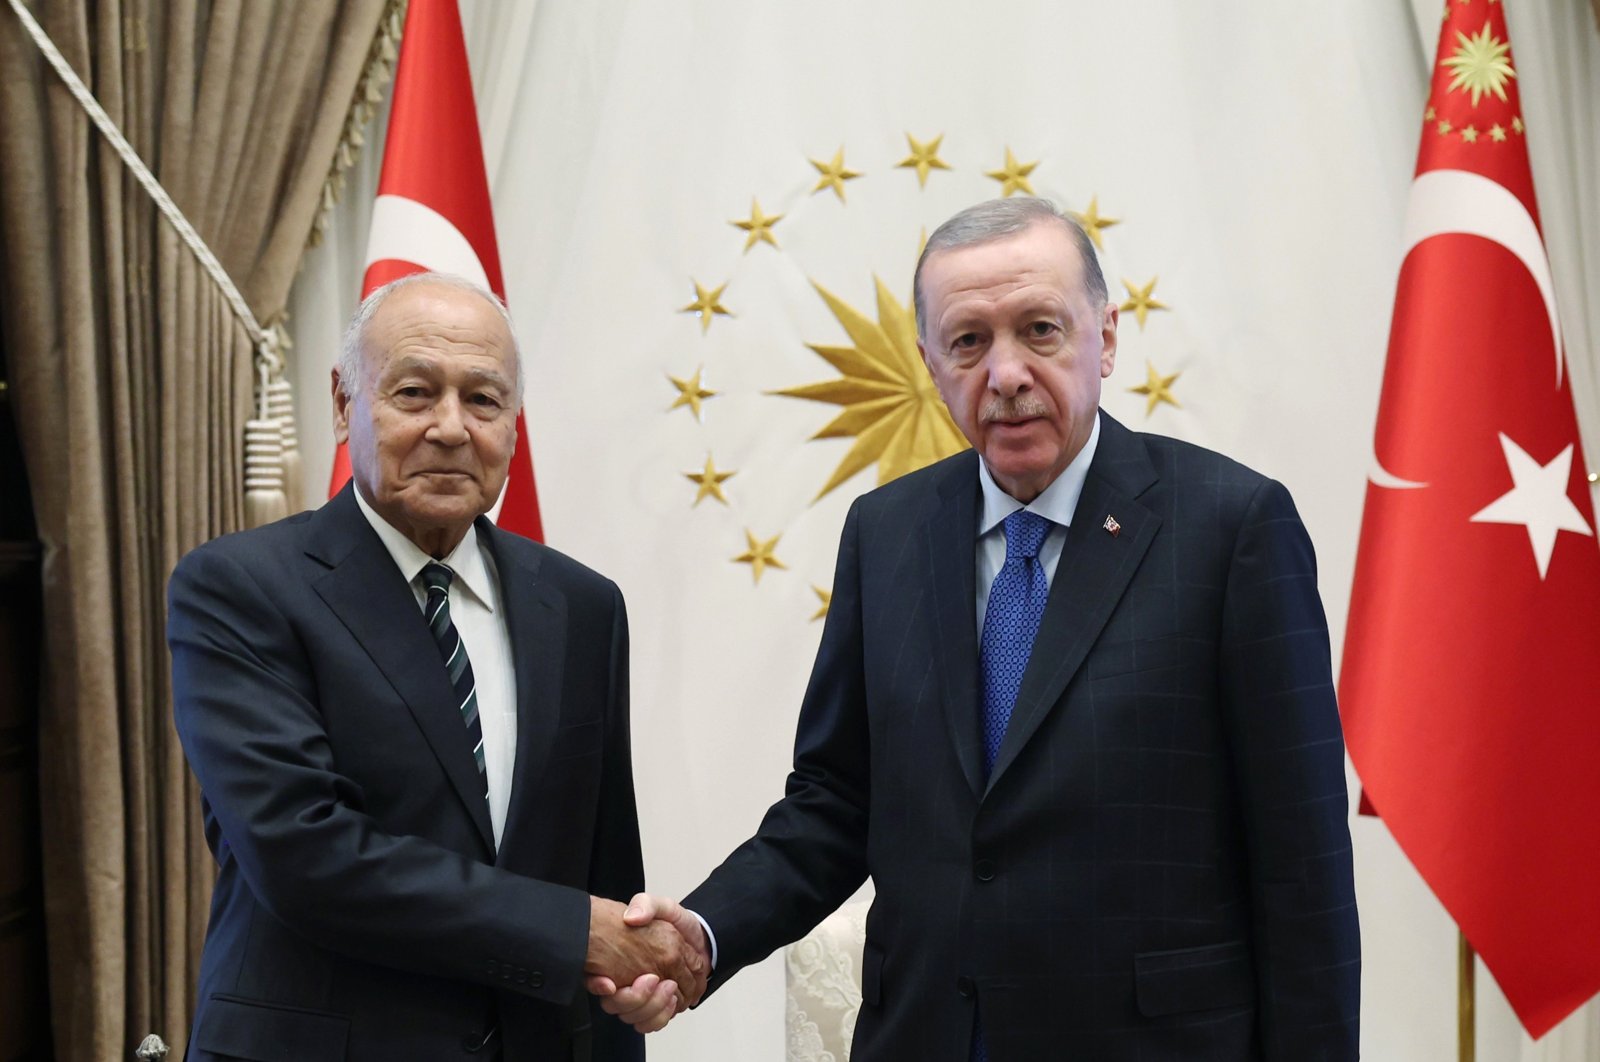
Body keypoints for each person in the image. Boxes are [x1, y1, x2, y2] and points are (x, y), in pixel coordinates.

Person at [599, 198, 1361, 1059]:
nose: (1004, 374)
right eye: (968, 342)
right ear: (929, 364)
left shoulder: (1233, 528)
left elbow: (1303, 867)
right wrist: (703, 933)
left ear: (1104, 339)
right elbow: (837, 804)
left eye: (1040, 330)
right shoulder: (885, 533)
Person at [169, 273, 700, 1061]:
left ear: (514, 425)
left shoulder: (583, 607)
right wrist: (573, 936)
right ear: (346, 402)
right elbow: (304, 854)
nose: (451, 428)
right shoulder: (241, 589)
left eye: (483, 400)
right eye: (415, 393)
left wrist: (629, 982)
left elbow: (604, 871)